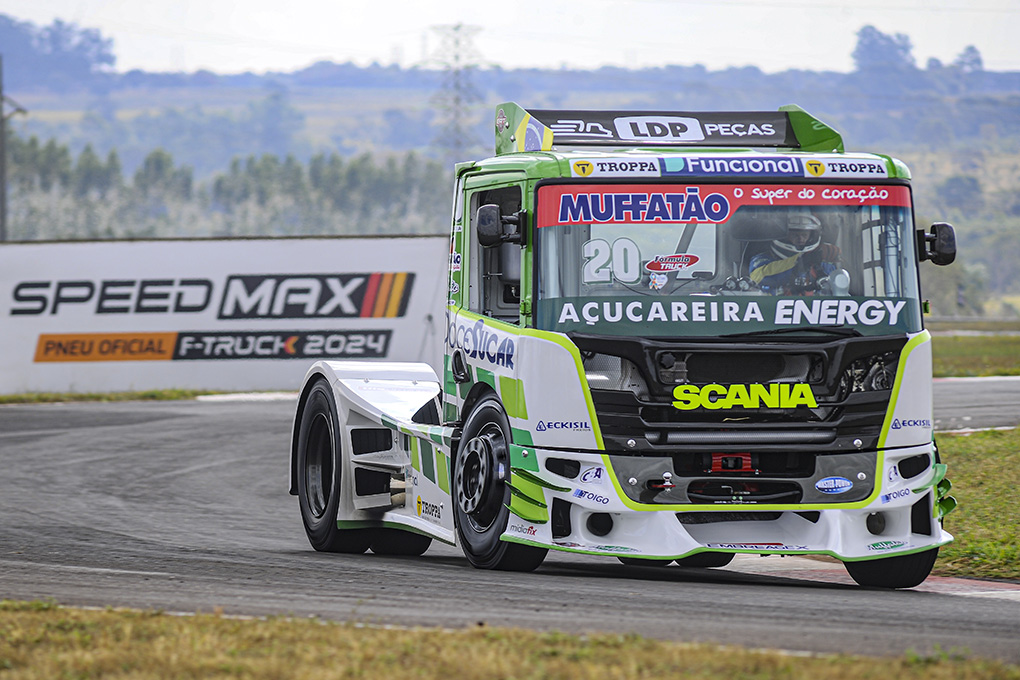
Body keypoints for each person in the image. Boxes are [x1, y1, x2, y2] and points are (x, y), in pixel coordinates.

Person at [749, 212, 840, 295]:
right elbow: (760, 278)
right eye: (795, 235)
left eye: (804, 235)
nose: (800, 239)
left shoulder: (820, 263)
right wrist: (802, 260)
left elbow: (838, 286)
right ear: (784, 236)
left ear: (811, 236)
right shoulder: (761, 260)